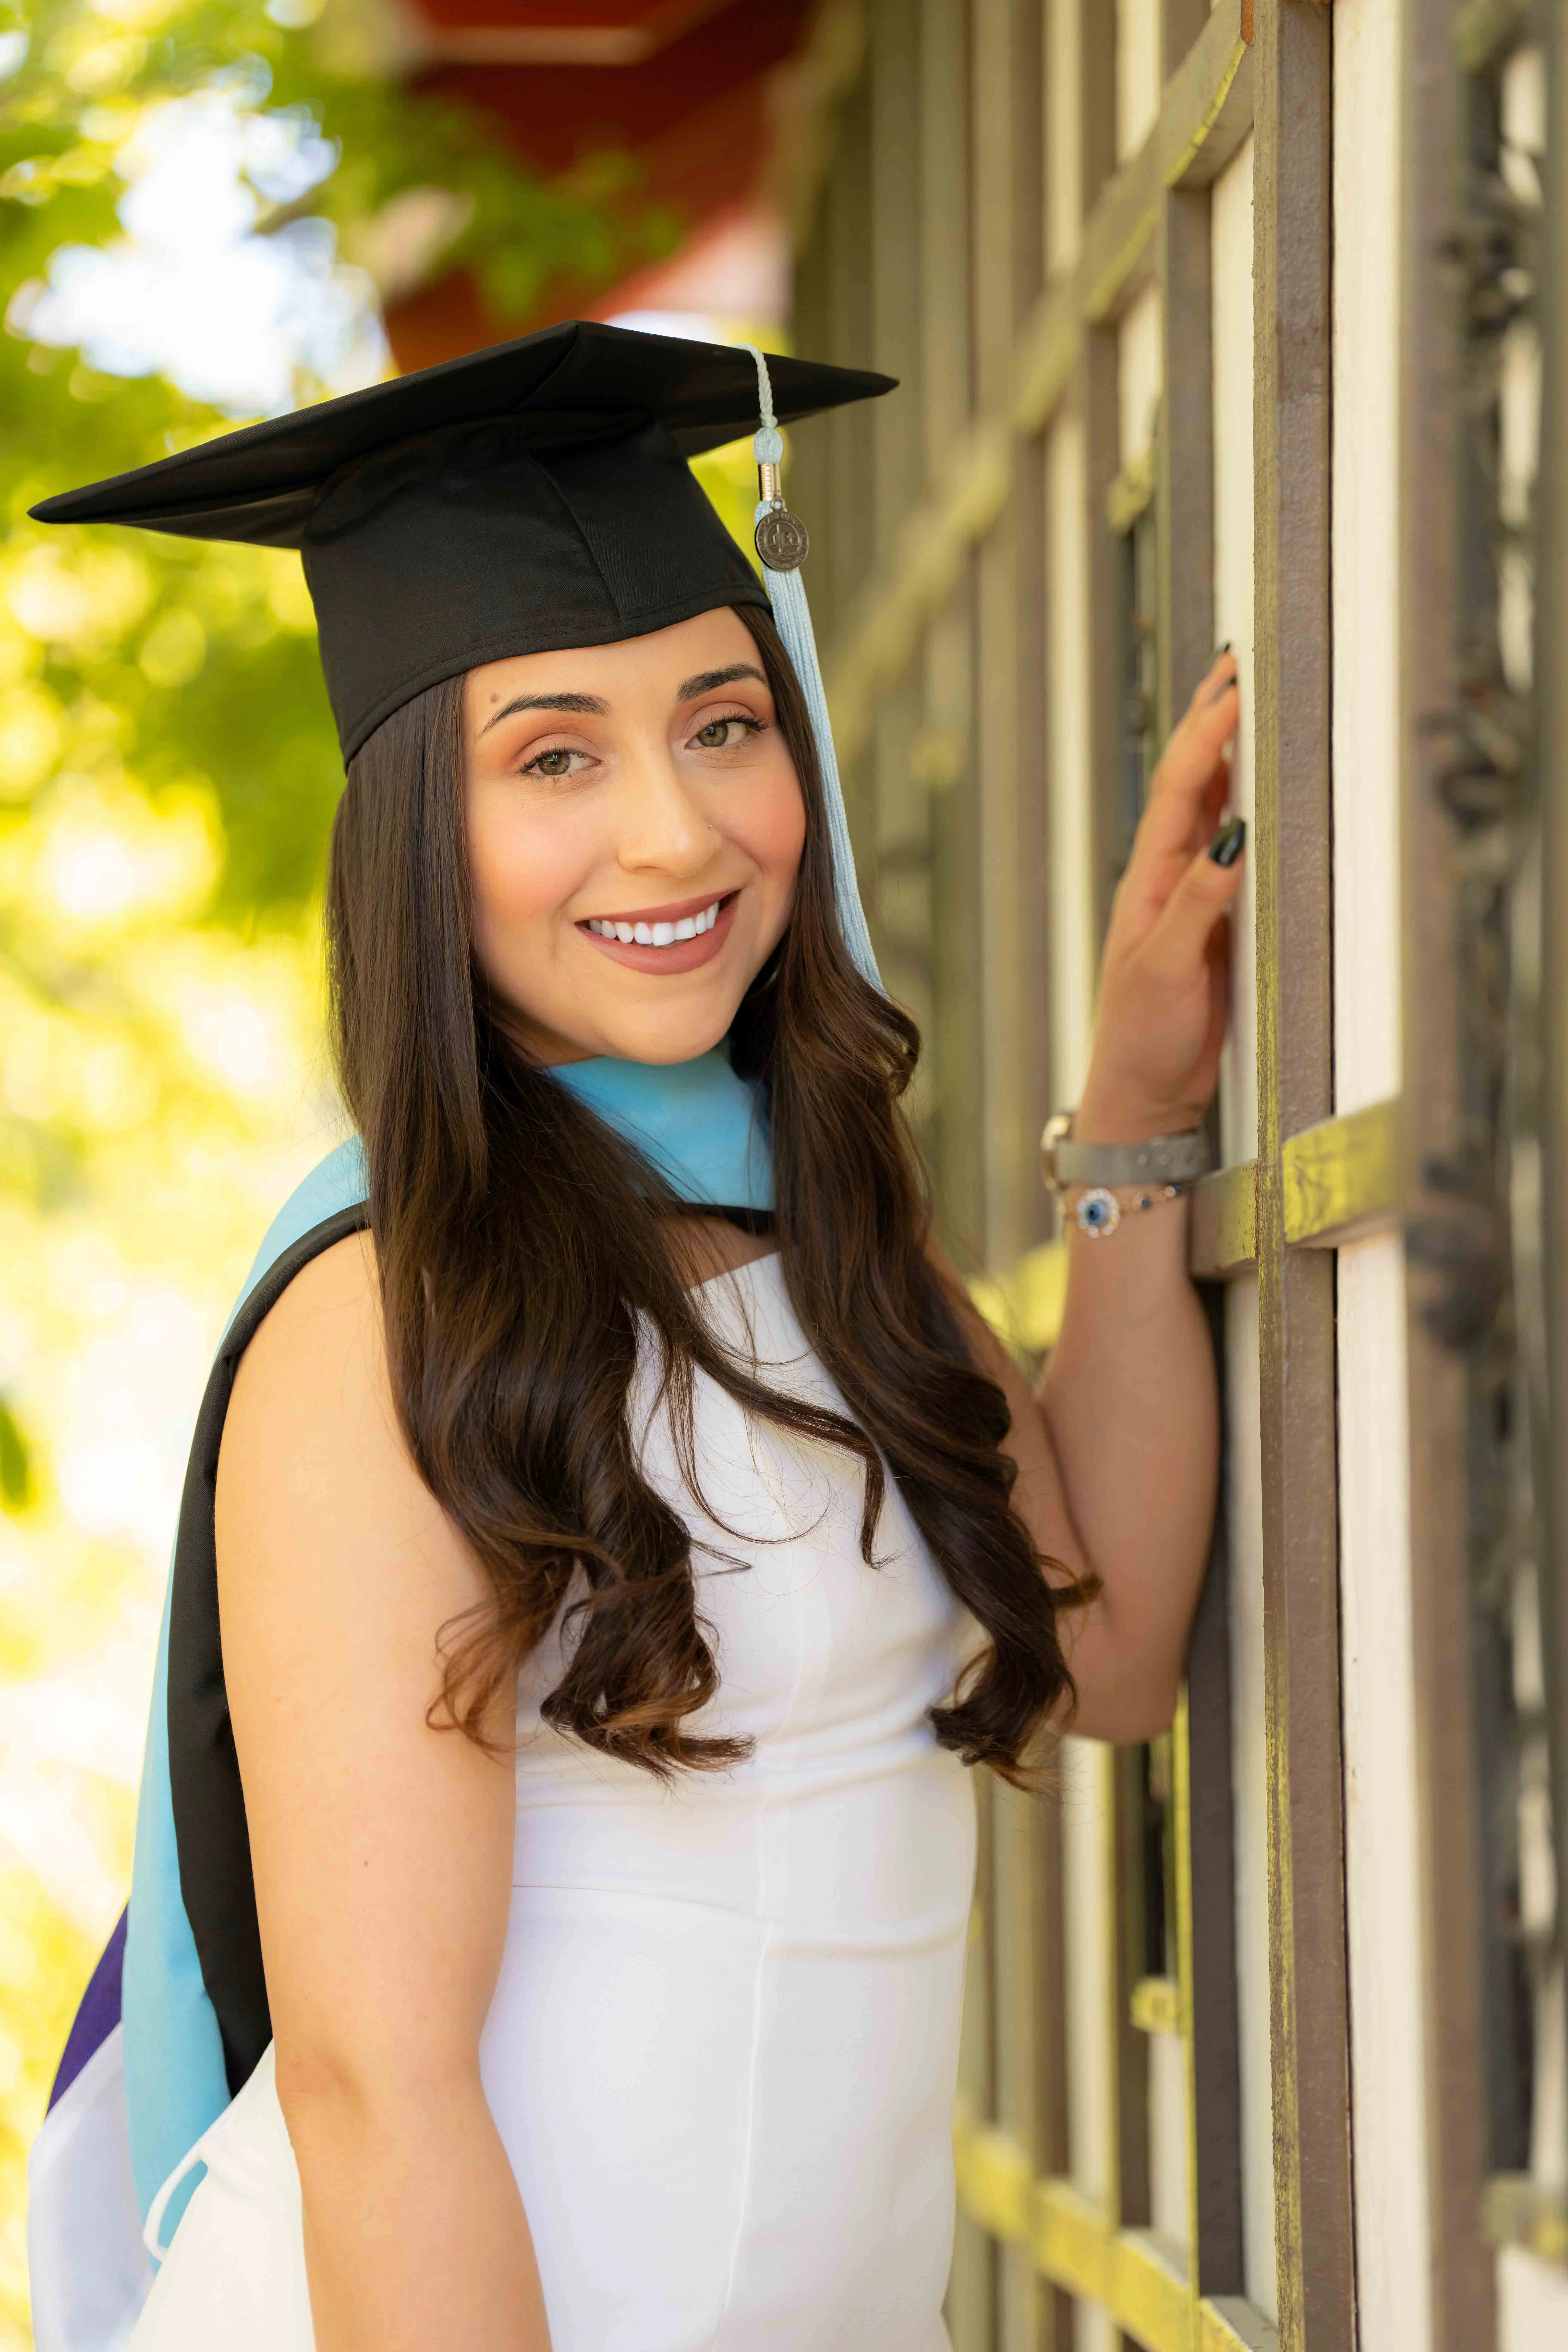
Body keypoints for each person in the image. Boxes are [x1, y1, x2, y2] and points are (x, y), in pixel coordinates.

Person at [25, 322, 1243, 2352]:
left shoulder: (818, 1222)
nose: (676, 835)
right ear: (421, 835)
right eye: (555, 757)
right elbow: (381, 2093)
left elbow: (1103, 1645)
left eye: (723, 723)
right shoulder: (380, 1316)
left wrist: (1134, 1108)